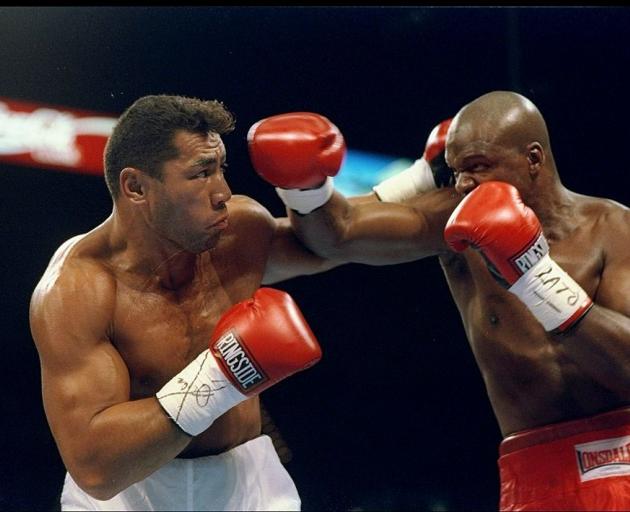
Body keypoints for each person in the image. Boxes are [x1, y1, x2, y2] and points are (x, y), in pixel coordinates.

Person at [249, 92, 630, 510]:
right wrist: (307, 188)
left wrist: (536, 278)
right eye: (457, 170)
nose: (464, 183)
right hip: (535, 472)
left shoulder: (614, 228)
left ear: (533, 159)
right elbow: (338, 235)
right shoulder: (456, 221)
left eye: (479, 167)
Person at [29, 94, 347, 511]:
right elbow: (96, 471)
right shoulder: (78, 289)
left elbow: (338, 242)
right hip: (129, 492)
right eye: (201, 173)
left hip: (247, 484)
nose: (223, 192)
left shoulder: (240, 231)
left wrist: (317, 191)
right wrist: (220, 376)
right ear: (136, 187)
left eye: (220, 168)